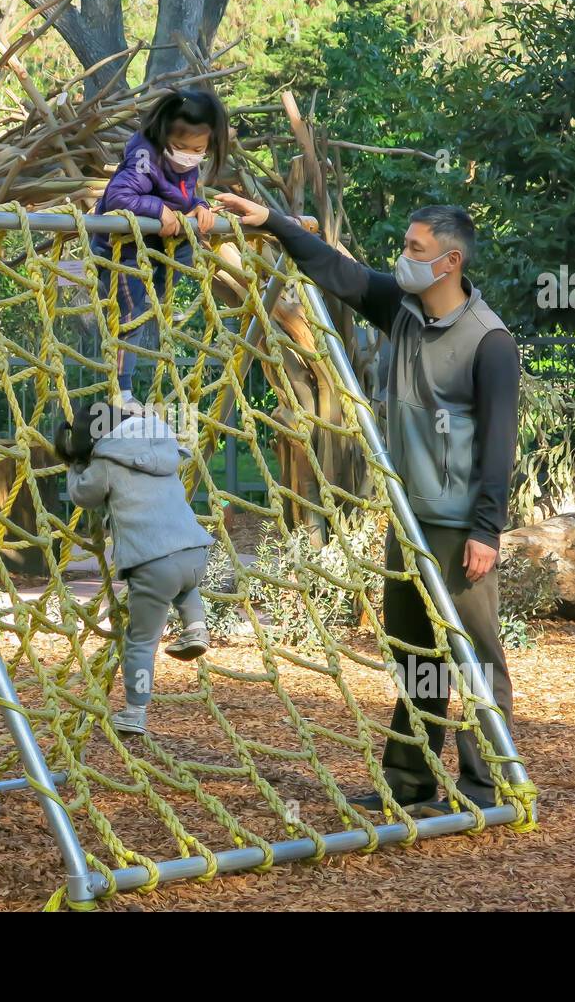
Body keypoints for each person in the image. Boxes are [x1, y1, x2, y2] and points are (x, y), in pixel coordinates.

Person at [214, 191, 521, 815]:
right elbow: (338, 272)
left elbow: (499, 446)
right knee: (414, 656)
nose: (402, 258)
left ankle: (487, 785)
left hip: (458, 525)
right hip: (407, 519)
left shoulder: (490, 342)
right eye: (405, 246)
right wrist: (272, 222)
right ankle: (411, 784)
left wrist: (487, 530)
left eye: (415, 249)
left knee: (475, 657)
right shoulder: (402, 309)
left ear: (451, 261)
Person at [55, 401, 214, 735]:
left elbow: (84, 495)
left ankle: (135, 712)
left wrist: (72, 469)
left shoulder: (106, 461)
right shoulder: (161, 445)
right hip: (195, 552)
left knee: (141, 641)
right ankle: (196, 626)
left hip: (153, 563)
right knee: (185, 583)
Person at [89, 89, 229, 408]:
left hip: (159, 248)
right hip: (120, 252)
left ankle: (160, 299)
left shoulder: (188, 167)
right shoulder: (145, 155)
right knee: (130, 314)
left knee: (155, 300)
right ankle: (120, 391)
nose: (187, 156)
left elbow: (182, 198)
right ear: (164, 135)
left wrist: (200, 205)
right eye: (179, 147)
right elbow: (118, 197)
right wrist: (156, 209)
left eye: (197, 150)